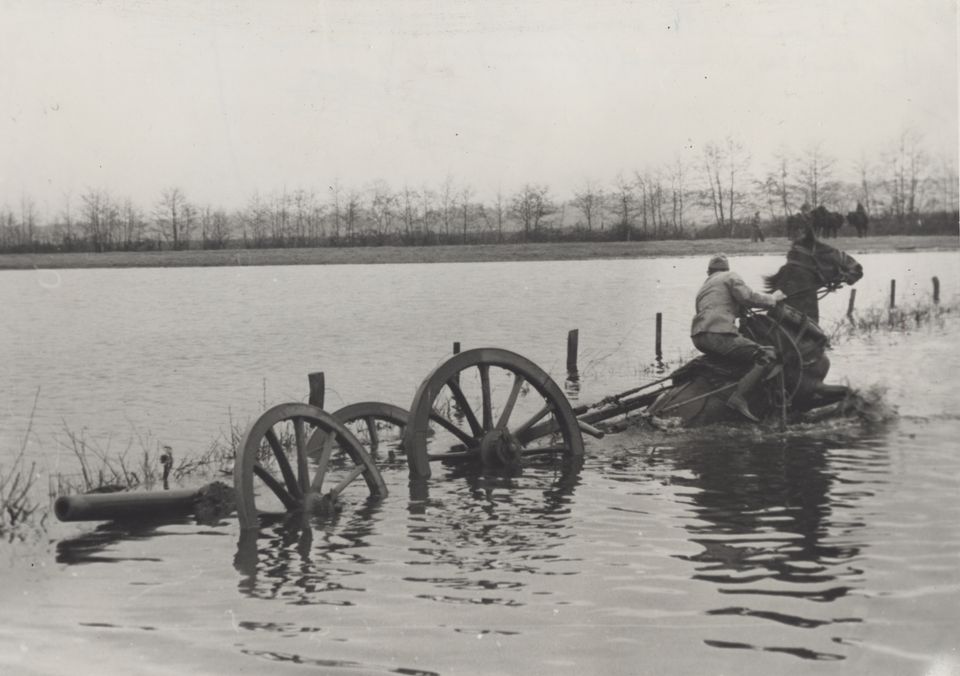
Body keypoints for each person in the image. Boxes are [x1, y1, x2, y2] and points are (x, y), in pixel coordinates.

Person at [690, 253, 786, 421]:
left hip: (699, 337)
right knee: (768, 355)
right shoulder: (730, 276)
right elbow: (748, 297)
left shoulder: (704, 288)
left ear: (708, 272)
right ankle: (738, 397)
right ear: (727, 269)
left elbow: (725, 307)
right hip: (718, 334)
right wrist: (773, 298)